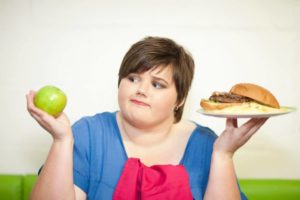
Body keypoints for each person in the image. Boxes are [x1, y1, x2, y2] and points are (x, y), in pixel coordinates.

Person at [26, 36, 268, 200]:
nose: (141, 89)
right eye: (132, 78)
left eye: (157, 84)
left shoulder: (206, 144)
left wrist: (223, 155)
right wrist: (61, 141)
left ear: (180, 99)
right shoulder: (88, 133)